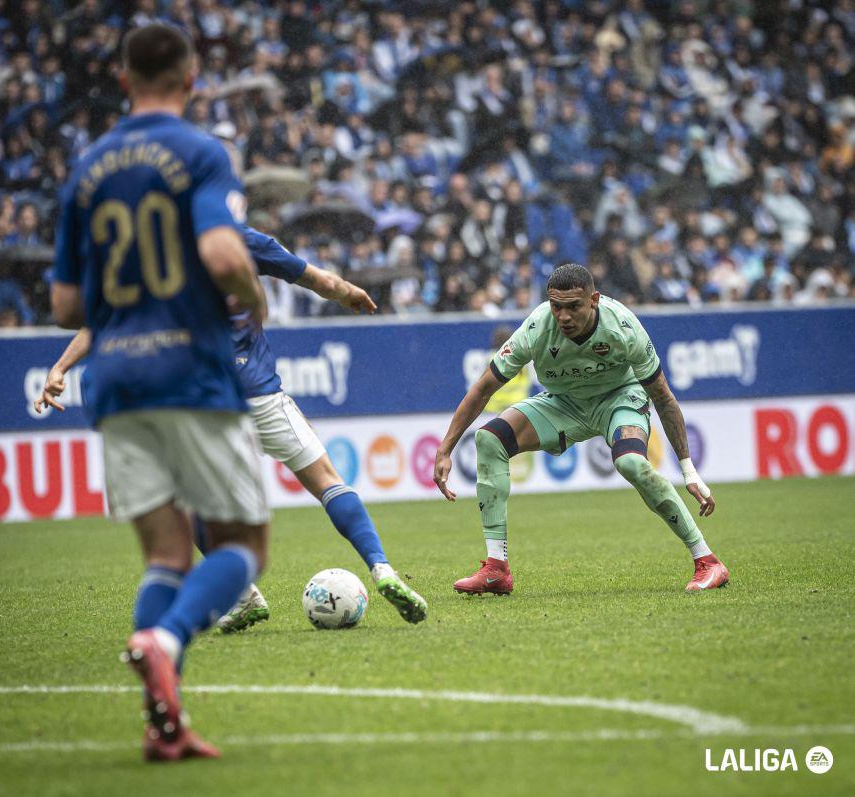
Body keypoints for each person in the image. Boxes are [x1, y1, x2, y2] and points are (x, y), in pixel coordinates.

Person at [50, 24, 270, 761]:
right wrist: (249, 294)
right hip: (191, 371)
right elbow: (218, 248)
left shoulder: (84, 170)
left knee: (166, 553)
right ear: (193, 76)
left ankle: (162, 725)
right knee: (243, 543)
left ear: (121, 79)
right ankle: (164, 636)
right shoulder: (203, 152)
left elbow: (65, 308)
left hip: (113, 379)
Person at [38, 225, 429, 628]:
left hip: (205, 400)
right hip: (260, 393)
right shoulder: (242, 240)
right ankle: (382, 569)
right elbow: (320, 280)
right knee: (327, 480)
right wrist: (347, 292)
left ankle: (243, 595)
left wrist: (61, 367)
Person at [433, 263, 728, 595]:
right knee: (489, 439)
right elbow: (482, 388)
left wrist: (687, 468)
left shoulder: (623, 326)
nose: (564, 317)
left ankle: (708, 561)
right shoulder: (536, 328)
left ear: (594, 300)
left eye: (573, 306)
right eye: (556, 307)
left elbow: (663, 396)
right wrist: (445, 449)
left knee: (631, 463)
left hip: (620, 399)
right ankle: (496, 569)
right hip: (565, 403)